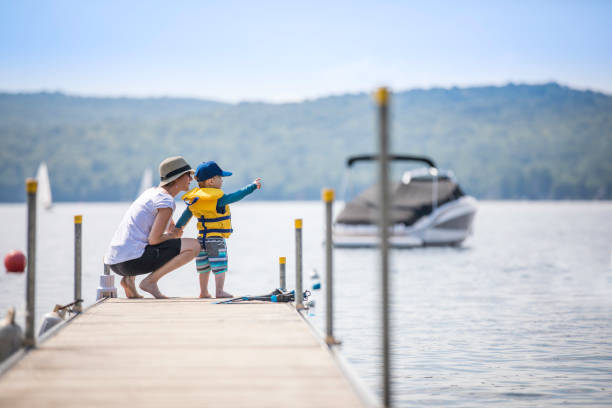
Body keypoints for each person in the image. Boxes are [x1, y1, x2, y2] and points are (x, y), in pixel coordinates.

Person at [104, 156, 201, 299]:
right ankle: (150, 282)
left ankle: (129, 281)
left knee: (139, 239)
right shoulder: (166, 201)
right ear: (177, 178)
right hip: (130, 262)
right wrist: (173, 236)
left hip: (114, 262)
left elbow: (169, 228)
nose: (191, 179)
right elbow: (155, 240)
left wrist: (173, 232)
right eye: (188, 175)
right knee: (194, 246)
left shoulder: (151, 193)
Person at [176, 161, 261, 298]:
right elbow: (237, 195)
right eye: (220, 178)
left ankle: (203, 292)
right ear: (211, 181)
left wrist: (177, 229)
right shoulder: (218, 200)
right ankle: (219, 291)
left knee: (204, 267)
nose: (222, 181)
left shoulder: (195, 200)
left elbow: (184, 217)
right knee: (219, 266)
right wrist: (252, 186)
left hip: (201, 239)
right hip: (216, 239)